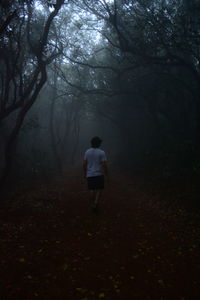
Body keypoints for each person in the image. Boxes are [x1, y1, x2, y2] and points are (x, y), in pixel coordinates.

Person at [83, 136, 108, 213]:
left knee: (91, 189)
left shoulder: (87, 152)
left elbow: (84, 164)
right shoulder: (101, 152)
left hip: (90, 174)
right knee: (99, 189)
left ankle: (93, 204)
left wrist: (85, 173)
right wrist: (106, 173)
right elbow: (104, 164)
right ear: (99, 143)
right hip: (99, 174)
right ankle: (96, 202)